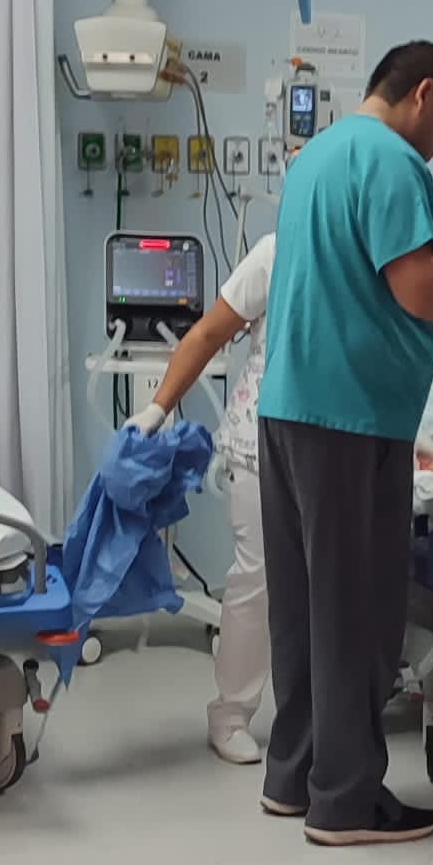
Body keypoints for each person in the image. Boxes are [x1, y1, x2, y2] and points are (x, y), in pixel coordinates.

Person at [254, 40, 433, 847]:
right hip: (350, 419)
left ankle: (294, 776)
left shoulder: (317, 157)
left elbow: (355, 284)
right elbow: (419, 285)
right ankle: (346, 801)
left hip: (289, 409)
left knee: (302, 609)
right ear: (422, 93)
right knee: (357, 614)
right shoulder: (394, 161)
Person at [125, 147, 306, 766]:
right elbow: (205, 333)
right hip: (260, 443)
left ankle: (317, 718)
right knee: (257, 579)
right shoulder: (274, 254)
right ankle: (231, 713)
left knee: (321, 586)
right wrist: (157, 408)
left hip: (330, 444)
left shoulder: (365, 258)